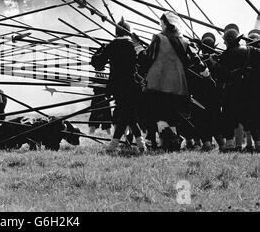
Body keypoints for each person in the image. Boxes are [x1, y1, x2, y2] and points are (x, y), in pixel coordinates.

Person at [137, 12, 209, 151]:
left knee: (159, 112)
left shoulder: (157, 38)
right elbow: (195, 59)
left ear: (164, 24)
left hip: (158, 82)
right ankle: (172, 144)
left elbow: (148, 58)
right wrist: (205, 72)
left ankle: (168, 143)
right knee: (173, 115)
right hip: (179, 84)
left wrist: (139, 49)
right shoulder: (184, 41)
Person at [91, 18, 146, 153]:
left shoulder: (112, 45)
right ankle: (138, 144)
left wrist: (101, 49)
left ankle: (115, 145)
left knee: (126, 114)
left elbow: (97, 63)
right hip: (133, 85)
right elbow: (144, 61)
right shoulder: (133, 45)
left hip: (117, 86)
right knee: (128, 115)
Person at [208, 24, 260, 153]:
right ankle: (258, 144)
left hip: (233, 92)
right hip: (249, 90)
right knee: (252, 118)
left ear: (228, 42)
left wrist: (212, 62)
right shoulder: (251, 50)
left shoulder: (225, 56)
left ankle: (230, 145)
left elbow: (220, 74)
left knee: (228, 118)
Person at [0, 116, 82, 151]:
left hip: (21, 125)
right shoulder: (58, 127)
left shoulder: (58, 125)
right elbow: (42, 140)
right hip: (20, 129)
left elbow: (41, 141)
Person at [88, 69, 112, 135]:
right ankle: (109, 135)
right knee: (105, 120)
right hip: (104, 100)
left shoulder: (98, 76)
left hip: (98, 99)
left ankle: (91, 134)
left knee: (94, 120)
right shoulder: (105, 76)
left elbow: (92, 85)